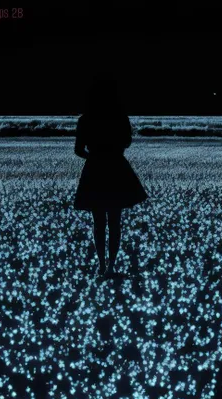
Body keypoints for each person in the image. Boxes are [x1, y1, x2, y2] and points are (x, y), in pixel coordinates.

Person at [73, 74, 148, 278]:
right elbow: (126, 142)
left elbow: (78, 150)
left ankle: (101, 265)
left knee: (99, 221)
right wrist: (112, 151)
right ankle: (111, 265)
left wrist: (94, 155)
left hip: (95, 169)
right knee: (114, 220)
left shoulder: (85, 119)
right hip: (115, 167)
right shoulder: (119, 117)